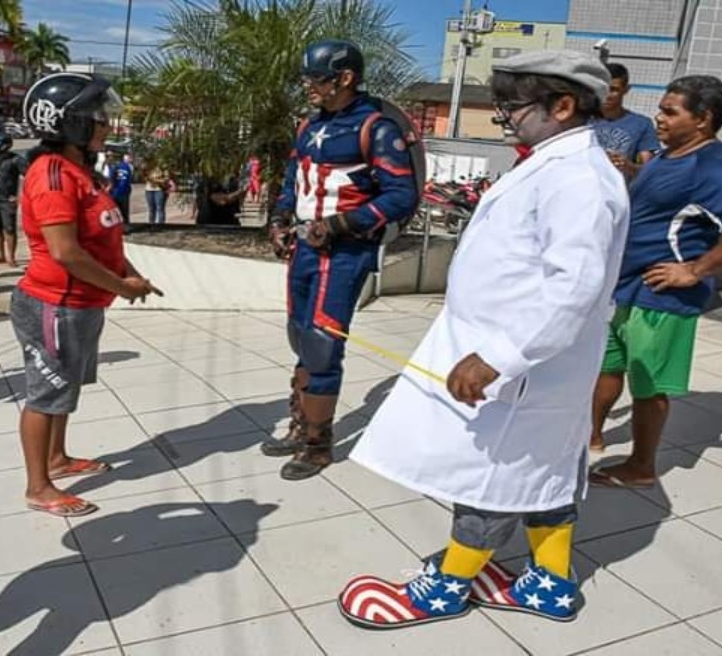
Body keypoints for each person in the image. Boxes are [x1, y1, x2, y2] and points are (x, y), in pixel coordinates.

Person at [339, 50, 628, 628]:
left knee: (491, 478)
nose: (506, 118)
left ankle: (446, 586)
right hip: (532, 364)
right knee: (543, 471)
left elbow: (571, 287)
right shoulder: (556, 163)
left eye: (512, 107)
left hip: (522, 365)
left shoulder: (578, 179)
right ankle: (550, 581)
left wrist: (499, 357)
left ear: (563, 106)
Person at [588, 75, 722, 485]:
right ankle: (593, 435)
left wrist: (693, 270)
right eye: (660, 109)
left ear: (703, 119)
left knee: (647, 387)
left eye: (670, 112)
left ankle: (641, 467)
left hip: (661, 296)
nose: (659, 118)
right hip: (626, 288)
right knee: (607, 367)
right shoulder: (666, 156)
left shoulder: (714, 164)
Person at [260, 39, 419, 480]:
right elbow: (295, 178)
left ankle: (317, 444)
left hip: (343, 253)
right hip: (304, 249)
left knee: (323, 344)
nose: (308, 86)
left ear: (345, 78)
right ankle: (300, 424)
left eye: (316, 78)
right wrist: (278, 219)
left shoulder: (376, 128)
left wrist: (339, 226)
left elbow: (401, 196)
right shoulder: (310, 125)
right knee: (300, 337)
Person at [14, 72, 162, 517]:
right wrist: (121, 287)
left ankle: (57, 459)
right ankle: (38, 486)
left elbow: (103, 241)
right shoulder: (54, 176)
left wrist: (132, 277)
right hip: (54, 304)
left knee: (65, 388)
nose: (105, 125)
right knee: (45, 394)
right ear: (70, 124)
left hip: (81, 304)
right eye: (97, 118)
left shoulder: (81, 171)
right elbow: (65, 252)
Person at [594, 62, 660, 179]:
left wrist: (629, 167)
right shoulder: (581, 120)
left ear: (626, 89)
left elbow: (648, 170)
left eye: (614, 89)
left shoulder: (642, 124)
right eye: (603, 88)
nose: (607, 95)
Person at [0, 134, 26, 268]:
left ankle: (11, 256)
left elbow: (29, 175)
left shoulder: (15, 159)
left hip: (7, 199)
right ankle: (0, 254)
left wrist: (19, 196)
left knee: (9, 228)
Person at [109, 152, 135, 225]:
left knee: (116, 211)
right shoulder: (127, 166)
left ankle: (119, 226)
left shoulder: (114, 166)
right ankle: (125, 226)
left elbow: (111, 180)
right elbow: (129, 179)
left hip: (116, 192)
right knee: (123, 211)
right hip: (123, 191)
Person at [144, 160, 169, 224]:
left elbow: (166, 179)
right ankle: (151, 224)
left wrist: (155, 180)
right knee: (151, 209)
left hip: (159, 190)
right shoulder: (148, 168)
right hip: (149, 190)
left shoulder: (163, 168)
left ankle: (160, 225)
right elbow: (144, 177)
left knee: (160, 208)